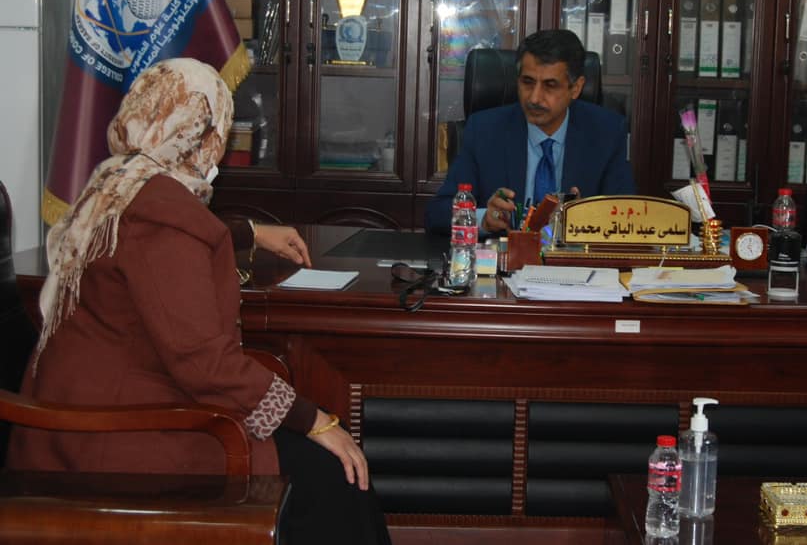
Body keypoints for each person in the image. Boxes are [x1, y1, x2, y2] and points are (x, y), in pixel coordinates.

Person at [7, 58, 391, 545]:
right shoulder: (164, 217)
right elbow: (204, 364)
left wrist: (250, 233)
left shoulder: (117, 182)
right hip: (122, 438)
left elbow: (167, 246)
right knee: (334, 476)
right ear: (201, 136)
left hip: (72, 423)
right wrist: (314, 419)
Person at [424, 28, 636, 234]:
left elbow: (626, 220)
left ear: (576, 88)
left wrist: (584, 220)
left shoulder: (606, 132)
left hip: (572, 258)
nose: (534, 98)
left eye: (550, 85)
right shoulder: (484, 130)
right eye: (527, 82)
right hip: (504, 256)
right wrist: (483, 218)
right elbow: (437, 214)